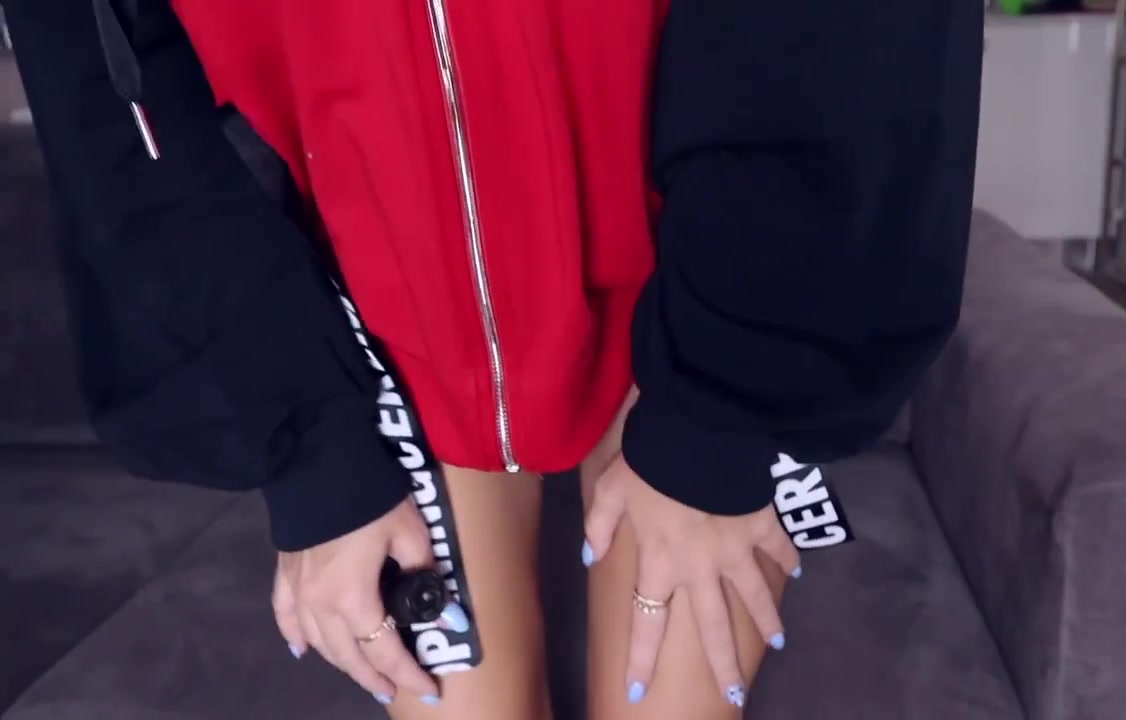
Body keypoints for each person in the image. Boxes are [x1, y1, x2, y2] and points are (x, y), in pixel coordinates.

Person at [5, 0, 982, 718]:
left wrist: (723, 412)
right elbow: (96, 62)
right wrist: (306, 439)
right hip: (379, 298)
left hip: (685, 241)